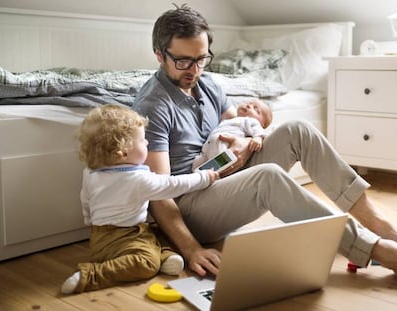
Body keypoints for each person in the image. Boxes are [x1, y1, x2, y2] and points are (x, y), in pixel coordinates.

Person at [133, 4, 397, 278]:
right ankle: (375, 250)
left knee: (298, 130)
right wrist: (192, 250)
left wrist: (244, 144)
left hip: (224, 178)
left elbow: (238, 126)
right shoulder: (153, 106)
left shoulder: (207, 84)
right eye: (183, 61)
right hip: (190, 206)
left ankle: (380, 227)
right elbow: (159, 194)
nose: (194, 70)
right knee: (267, 177)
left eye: (201, 59)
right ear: (159, 55)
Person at [61, 104, 219, 294]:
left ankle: (165, 255)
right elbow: (172, 185)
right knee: (146, 263)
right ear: (123, 151)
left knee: (156, 230)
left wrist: (89, 220)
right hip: (122, 239)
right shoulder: (137, 179)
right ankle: (91, 274)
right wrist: (204, 178)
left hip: (99, 235)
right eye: (143, 140)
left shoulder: (91, 173)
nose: (147, 144)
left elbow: (85, 199)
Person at [192, 98, 272, 171]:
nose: (248, 106)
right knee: (196, 165)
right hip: (208, 147)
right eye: (249, 103)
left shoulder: (250, 121)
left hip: (225, 144)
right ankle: (200, 175)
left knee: (220, 160)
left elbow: (258, 129)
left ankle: (213, 175)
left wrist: (258, 137)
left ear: (262, 123)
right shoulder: (232, 120)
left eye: (256, 109)